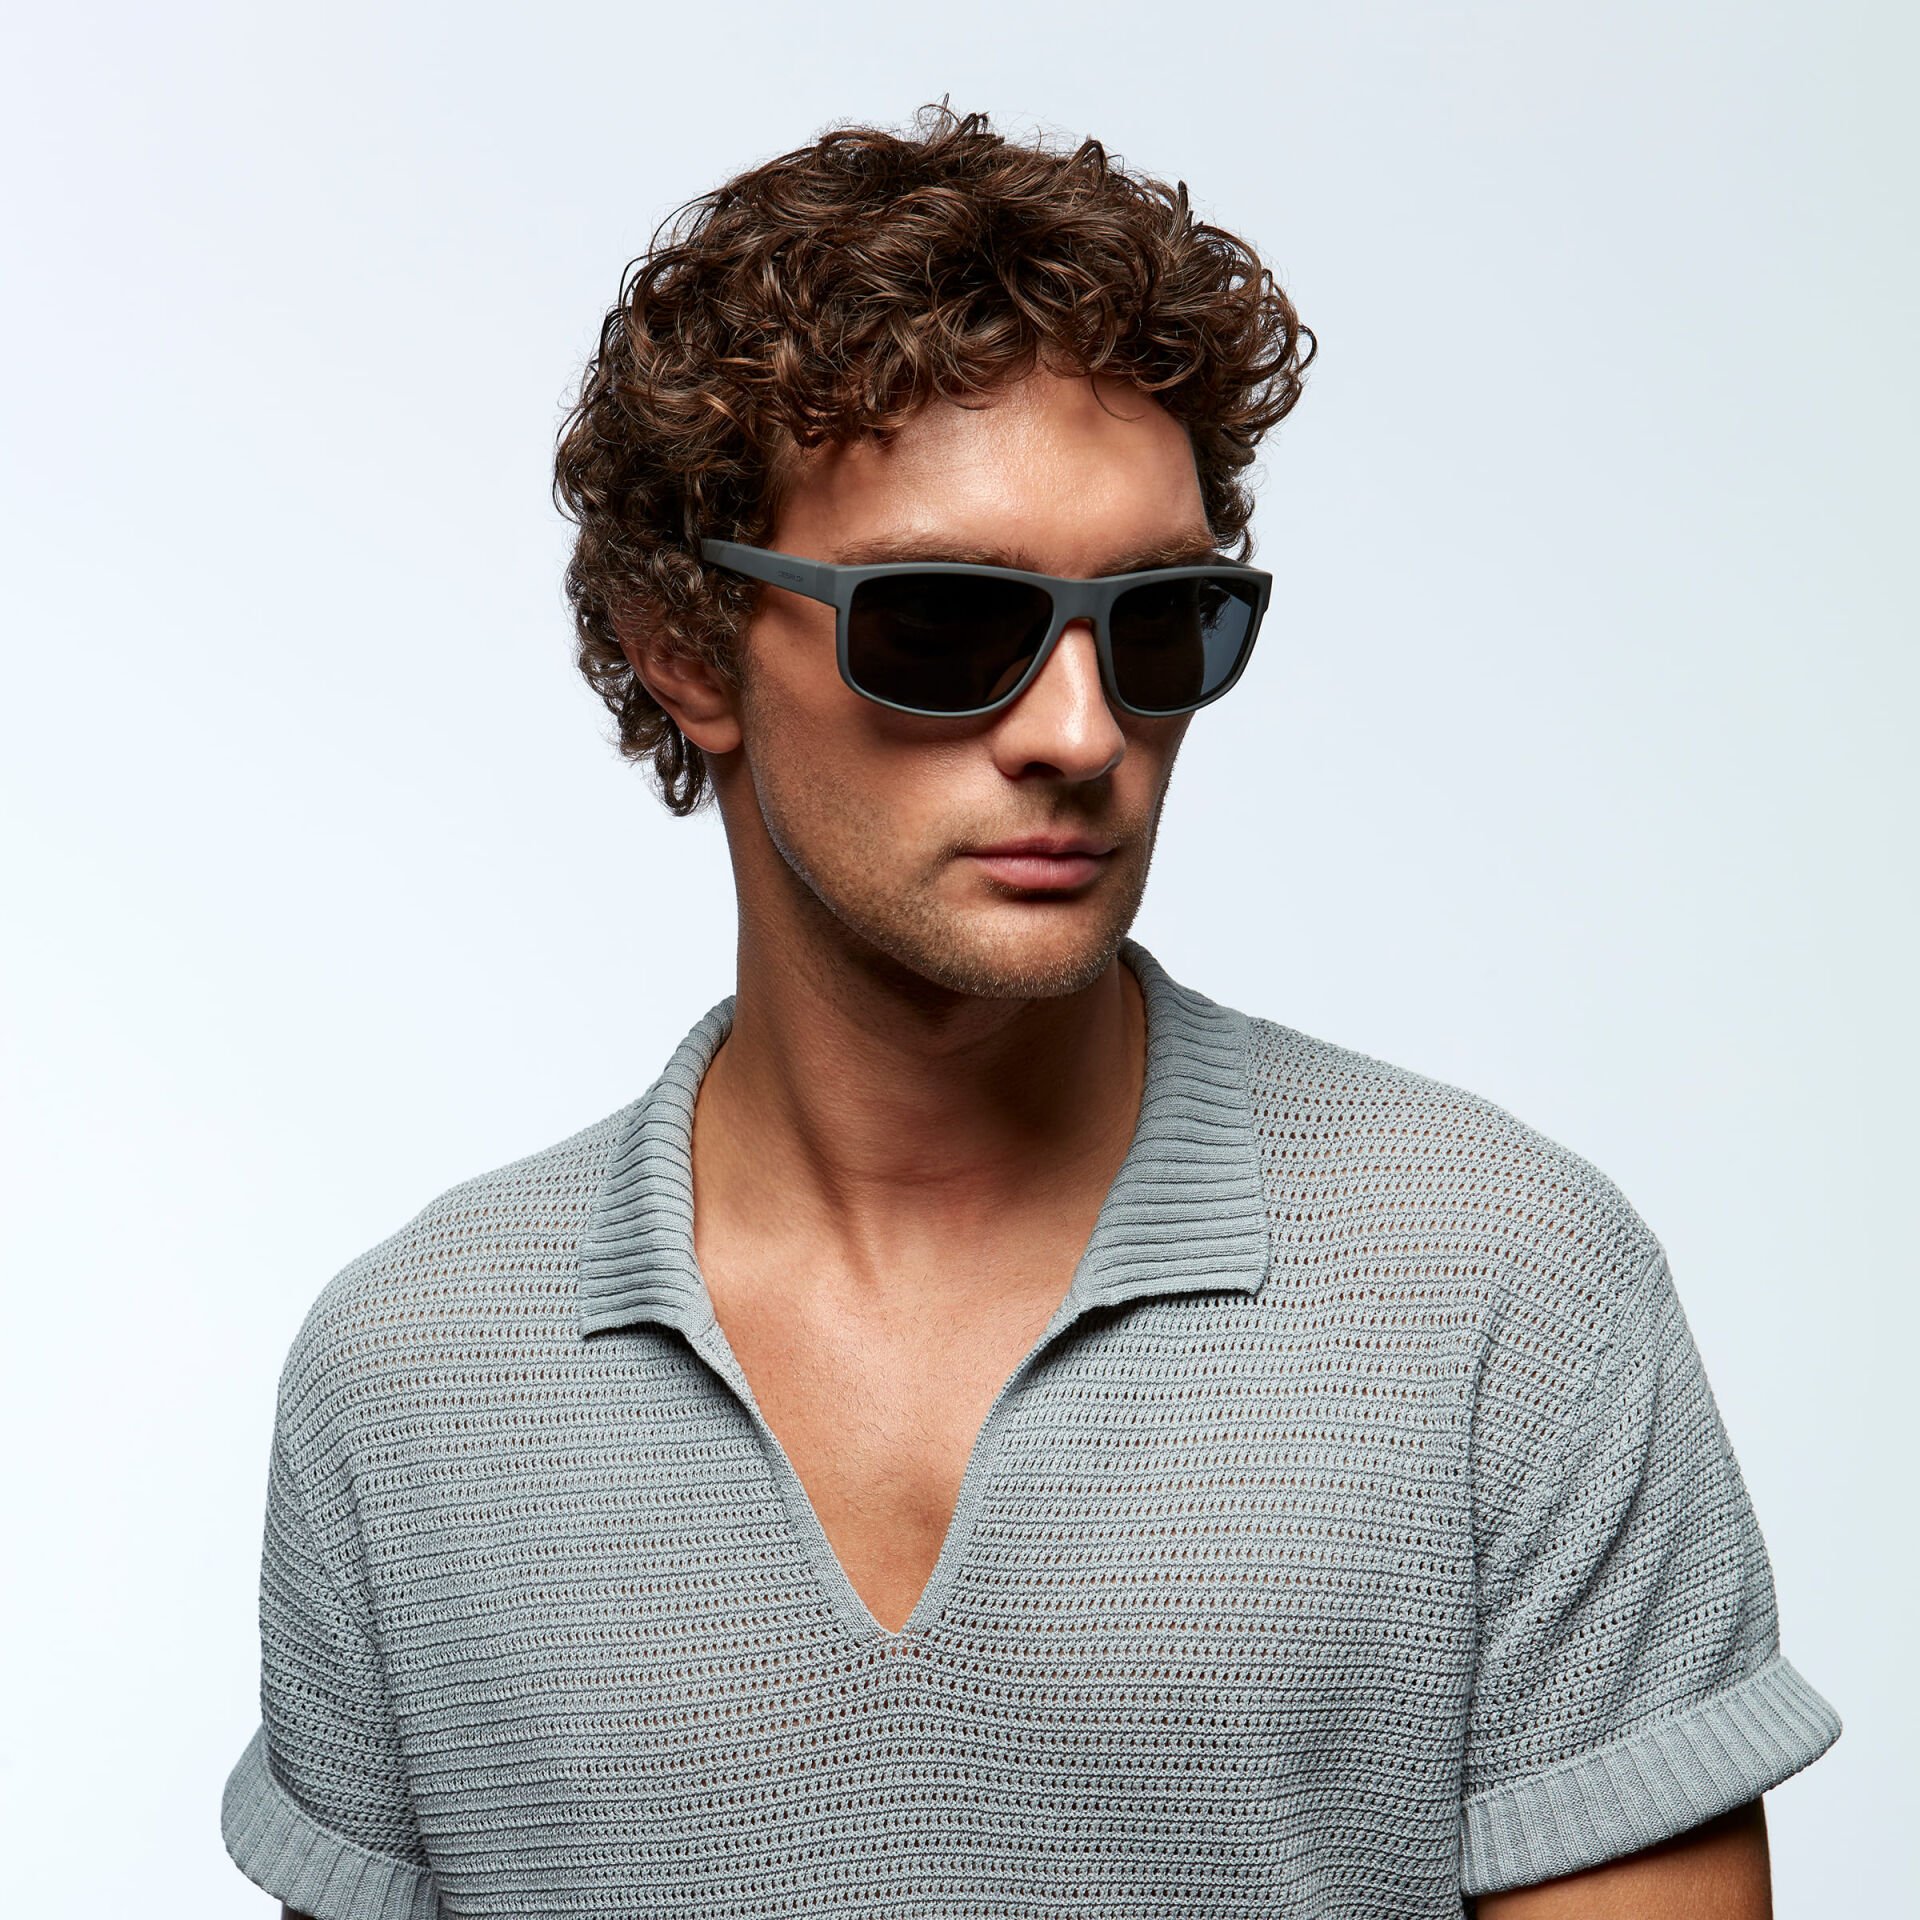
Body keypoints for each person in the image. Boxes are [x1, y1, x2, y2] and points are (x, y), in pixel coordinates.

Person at [220, 106, 1841, 1920]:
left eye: (1160, 624)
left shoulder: (1504, 1295)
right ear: (686, 646)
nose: (1082, 733)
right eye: (943, 623)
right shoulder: (408, 1383)